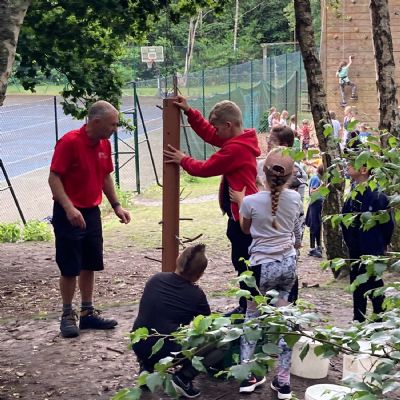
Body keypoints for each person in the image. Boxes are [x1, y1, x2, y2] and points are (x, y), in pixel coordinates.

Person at [164, 96, 261, 315]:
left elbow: (205, 168)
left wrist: (183, 159)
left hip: (243, 217)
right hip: (239, 215)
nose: (215, 132)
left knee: (245, 263)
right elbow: (209, 134)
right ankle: (247, 305)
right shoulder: (240, 140)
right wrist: (190, 112)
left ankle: (249, 308)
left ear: (228, 125)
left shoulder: (235, 149)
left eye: (218, 128)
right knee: (242, 261)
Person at [48, 100, 131, 338]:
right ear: (96, 122)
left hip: (92, 212)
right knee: (69, 266)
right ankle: (67, 314)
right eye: (112, 124)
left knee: (90, 263)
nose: (115, 128)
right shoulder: (69, 142)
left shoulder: (104, 144)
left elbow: (105, 176)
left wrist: (116, 205)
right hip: (68, 212)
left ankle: (87, 313)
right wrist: (69, 208)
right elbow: (54, 178)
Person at [230, 148, 302, 399]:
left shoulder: (251, 202)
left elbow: (245, 229)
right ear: (291, 176)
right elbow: (296, 234)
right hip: (288, 266)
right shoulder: (295, 198)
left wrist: (241, 201)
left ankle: (246, 376)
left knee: (252, 318)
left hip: (261, 268)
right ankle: (283, 382)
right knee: (285, 322)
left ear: (263, 173)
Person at [132, 244, 226, 398]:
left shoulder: (155, 279)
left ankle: (146, 368)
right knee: (222, 341)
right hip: (168, 352)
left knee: (153, 325)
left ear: (178, 261)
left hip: (139, 343)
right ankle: (183, 378)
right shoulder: (197, 295)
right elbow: (207, 327)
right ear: (199, 275)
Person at [341, 152, 394, 322]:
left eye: (352, 163)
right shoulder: (353, 193)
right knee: (357, 284)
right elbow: (344, 219)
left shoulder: (378, 195)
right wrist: (349, 240)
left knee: (373, 283)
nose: (348, 166)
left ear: (364, 169)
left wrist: (383, 243)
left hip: (372, 248)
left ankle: (380, 317)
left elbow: (387, 223)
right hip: (355, 248)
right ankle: (358, 318)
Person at [305, 164, 324, 258]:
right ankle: (312, 248)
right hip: (315, 204)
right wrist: (322, 186)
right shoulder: (315, 178)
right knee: (314, 226)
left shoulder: (318, 178)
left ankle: (318, 246)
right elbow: (312, 192)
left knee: (318, 226)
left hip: (318, 204)